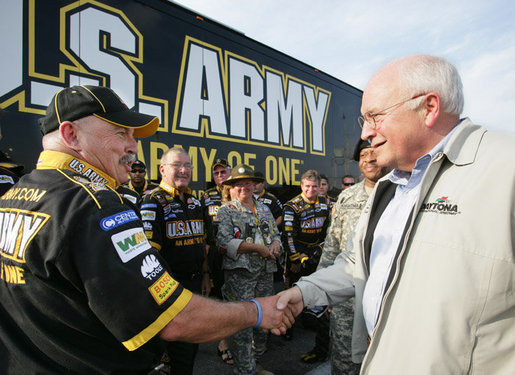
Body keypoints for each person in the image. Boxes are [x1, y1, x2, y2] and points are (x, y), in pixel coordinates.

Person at [0, 85, 292, 374]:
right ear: (71, 134)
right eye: (120, 133)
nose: (133, 147)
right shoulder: (94, 203)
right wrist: (257, 311)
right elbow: (174, 319)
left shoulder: (14, 195)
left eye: (133, 136)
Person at [276, 54, 515, 374]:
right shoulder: (390, 187)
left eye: (375, 116)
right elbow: (357, 263)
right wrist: (303, 292)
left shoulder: (505, 169)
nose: (365, 134)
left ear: (429, 107)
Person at [317, 138, 389, 375]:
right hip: (347, 298)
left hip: (385, 299)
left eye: (373, 153)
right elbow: (332, 244)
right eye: (362, 156)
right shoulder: (346, 198)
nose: (368, 159)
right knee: (344, 361)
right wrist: (322, 288)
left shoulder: (401, 193)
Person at [140, 147, 210, 374]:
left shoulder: (195, 202)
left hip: (196, 285)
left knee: (191, 347)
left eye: (188, 166)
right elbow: (150, 256)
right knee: (175, 354)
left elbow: (205, 243)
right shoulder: (153, 201)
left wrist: (206, 274)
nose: (183, 170)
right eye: (177, 165)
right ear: (162, 169)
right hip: (171, 289)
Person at [216, 164, 282, 375]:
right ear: (232, 188)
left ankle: (255, 364)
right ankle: (244, 370)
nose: (243, 188)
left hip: (265, 273)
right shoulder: (226, 211)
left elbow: (276, 235)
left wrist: (274, 245)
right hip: (240, 276)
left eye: (247, 183)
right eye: (238, 184)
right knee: (242, 326)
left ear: (254, 185)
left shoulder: (264, 208)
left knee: (263, 322)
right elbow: (223, 242)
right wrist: (257, 248)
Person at [282, 170, 331, 350]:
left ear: (320, 187)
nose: (311, 190)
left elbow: (330, 232)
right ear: (302, 186)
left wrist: (319, 251)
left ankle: (312, 321)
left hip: (316, 253)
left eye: (314, 186)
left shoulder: (327, 203)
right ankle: (287, 326)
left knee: (317, 290)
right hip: (297, 253)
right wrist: (295, 259)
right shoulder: (292, 206)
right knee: (291, 291)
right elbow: (288, 236)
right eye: (307, 186)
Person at [200, 157, 234, 364]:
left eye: (223, 172)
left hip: (238, 250)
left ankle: (245, 340)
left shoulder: (237, 192)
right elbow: (202, 224)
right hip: (215, 252)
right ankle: (223, 343)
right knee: (221, 297)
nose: (220, 176)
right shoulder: (206, 196)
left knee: (239, 295)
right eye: (217, 173)